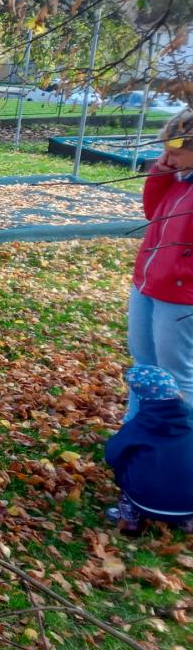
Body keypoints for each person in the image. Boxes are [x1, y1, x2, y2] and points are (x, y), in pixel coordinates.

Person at [125, 109, 193, 419]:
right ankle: (137, 429)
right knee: (144, 367)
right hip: (147, 283)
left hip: (179, 294)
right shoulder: (178, 179)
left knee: (175, 374)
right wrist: (160, 174)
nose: (168, 159)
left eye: (175, 153)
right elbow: (152, 212)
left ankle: (180, 438)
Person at [105, 365, 193, 536]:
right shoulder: (190, 424)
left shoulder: (138, 427)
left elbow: (112, 455)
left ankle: (130, 519)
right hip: (189, 505)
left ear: (142, 399)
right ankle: (186, 520)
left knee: (124, 464)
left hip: (145, 501)